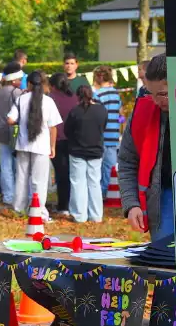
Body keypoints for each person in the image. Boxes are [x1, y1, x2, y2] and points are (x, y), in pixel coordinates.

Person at [119, 54, 173, 242]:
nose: (158, 101)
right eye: (152, 93)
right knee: (164, 262)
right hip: (162, 200)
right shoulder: (144, 108)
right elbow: (127, 160)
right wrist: (132, 204)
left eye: (163, 94)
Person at [7, 71, 62, 219]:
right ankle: (40, 212)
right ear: (43, 84)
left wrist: (22, 120)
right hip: (42, 146)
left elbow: (10, 120)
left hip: (23, 145)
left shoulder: (21, 99)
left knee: (21, 178)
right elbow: (53, 127)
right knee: (40, 181)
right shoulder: (49, 101)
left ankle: (19, 209)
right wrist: (53, 147)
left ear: (29, 84)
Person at [65, 85, 107, 223]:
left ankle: (79, 215)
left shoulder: (75, 111)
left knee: (78, 183)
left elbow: (67, 131)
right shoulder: (101, 110)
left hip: (77, 150)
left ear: (78, 96)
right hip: (96, 150)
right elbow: (103, 127)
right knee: (94, 182)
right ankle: (96, 215)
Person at [48, 73, 78, 217]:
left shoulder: (51, 98)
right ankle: (74, 204)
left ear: (52, 86)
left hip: (56, 139)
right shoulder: (74, 97)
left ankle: (63, 206)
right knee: (72, 174)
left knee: (61, 174)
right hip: (73, 139)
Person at [0, 62, 24, 205]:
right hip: (14, 132)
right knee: (17, 165)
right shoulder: (16, 92)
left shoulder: (0, 92)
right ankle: (18, 196)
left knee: (5, 165)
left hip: (0, 131)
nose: (21, 81)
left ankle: (8, 196)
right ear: (14, 80)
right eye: (20, 79)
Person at [92, 65, 121, 196]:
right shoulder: (116, 94)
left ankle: (97, 194)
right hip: (113, 136)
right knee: (109, 167)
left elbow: (95, 116)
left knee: (96, 167)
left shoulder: (97, 95)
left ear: (98, 77)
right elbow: (120, 114)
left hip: (100, 135)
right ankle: (105, 193)